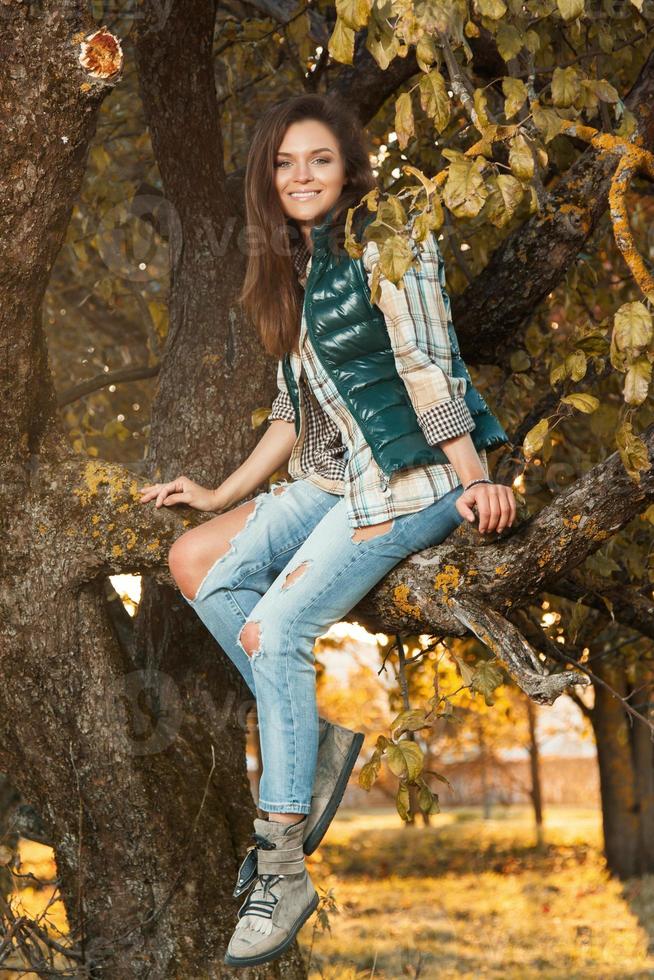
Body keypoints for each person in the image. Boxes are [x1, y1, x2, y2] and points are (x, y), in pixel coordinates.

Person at [139, 93, 516, 968]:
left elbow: (426, 367)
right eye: (283, 164)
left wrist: (476, 482)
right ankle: (314, 748)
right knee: (194, 559)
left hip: (412, 476)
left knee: (277, 629)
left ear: (348, 168)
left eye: (317, 160)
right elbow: (292, 409)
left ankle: (283, 860)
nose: (300, 177)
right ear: (267, 182)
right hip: (334, 473)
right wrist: (218, 493)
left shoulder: (389, 238)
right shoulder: (294, 266)